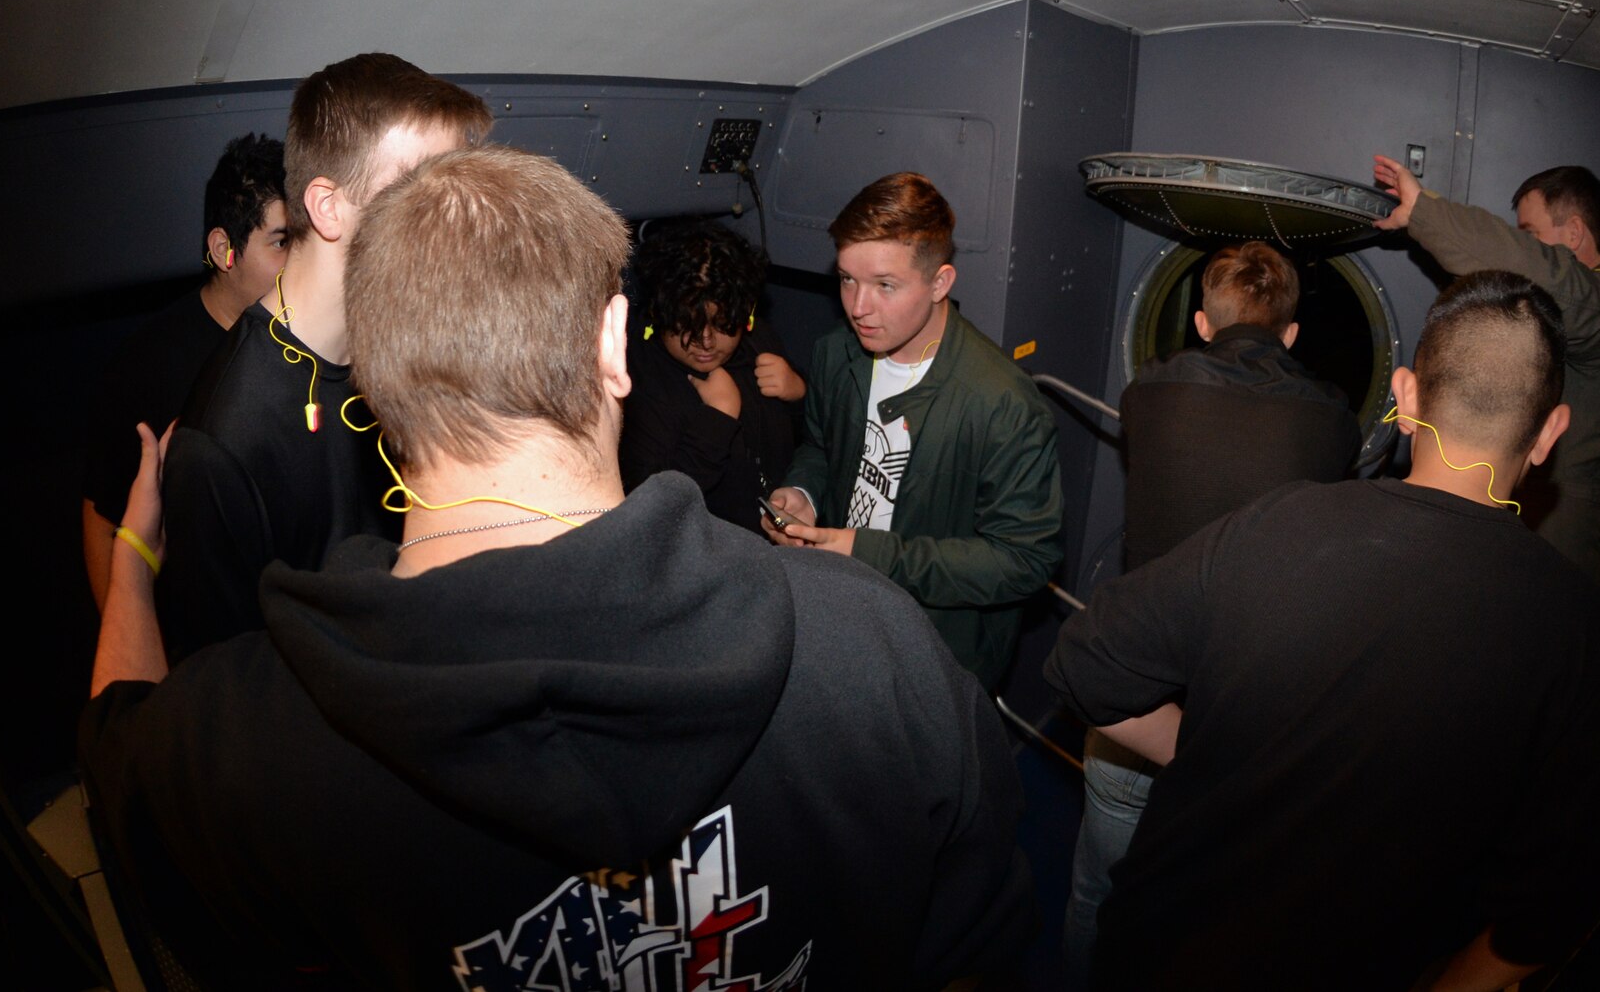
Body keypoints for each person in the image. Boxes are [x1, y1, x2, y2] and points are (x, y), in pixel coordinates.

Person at [82, 147, 1035, 990]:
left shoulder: (254, 736)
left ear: (372, 380)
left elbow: (117, 753)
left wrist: (132, 561)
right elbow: (974, 943)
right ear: (615, 346)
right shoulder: (876, 641)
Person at [1045, 271, 1600, 991]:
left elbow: (1082, 661)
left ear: (1408, 398)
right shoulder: (1578, 635)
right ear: (1550, 432)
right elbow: (1549, 913)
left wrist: (1200, 746)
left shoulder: (1277, 522)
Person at [1063, 239, 1358, 983]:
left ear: (1200, 322)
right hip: (1243, 720)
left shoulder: (1152, 392)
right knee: (1210, 916)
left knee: (1099, 892)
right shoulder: (1333, 422)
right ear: (1292, 333)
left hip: (1136, 701)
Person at [154, 54, 491, 661]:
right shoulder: (224, 439)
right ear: (328, 207)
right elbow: (224, 682)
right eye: (423, 187)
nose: (454, 215)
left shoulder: (413, 341)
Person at [764, 172, 1063, 690]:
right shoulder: (835, 354)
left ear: (940, 282)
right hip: (837, 614)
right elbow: (819, 445)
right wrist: (804, 492)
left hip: (932, 654)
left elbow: (1024, 560)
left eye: (884, 285)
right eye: (846, 279)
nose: (858, 307)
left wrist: (869, 552)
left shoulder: (1003, 403)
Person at [1372, 154, 1600, 581]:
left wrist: (1426, 213)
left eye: (1532, 235)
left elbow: (1545, 275)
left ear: (1575, 232)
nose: (1527, 248)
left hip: (1553, 544)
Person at [80, 133, 288, 612]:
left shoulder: (307, 344)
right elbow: (102, 517)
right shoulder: (145, 368)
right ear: (224, 250)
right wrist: (133, 670)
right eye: (281, 242)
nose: (299, 262)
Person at [619, 221, 805, 533]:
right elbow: (651, 512)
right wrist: (717, 419)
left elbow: (809, 442)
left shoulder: (757, 339)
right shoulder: (632, 383)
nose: (706, 342)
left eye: (722, 324)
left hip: (771, 543)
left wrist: (798, 393)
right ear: (657, 312)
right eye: (686, 324)